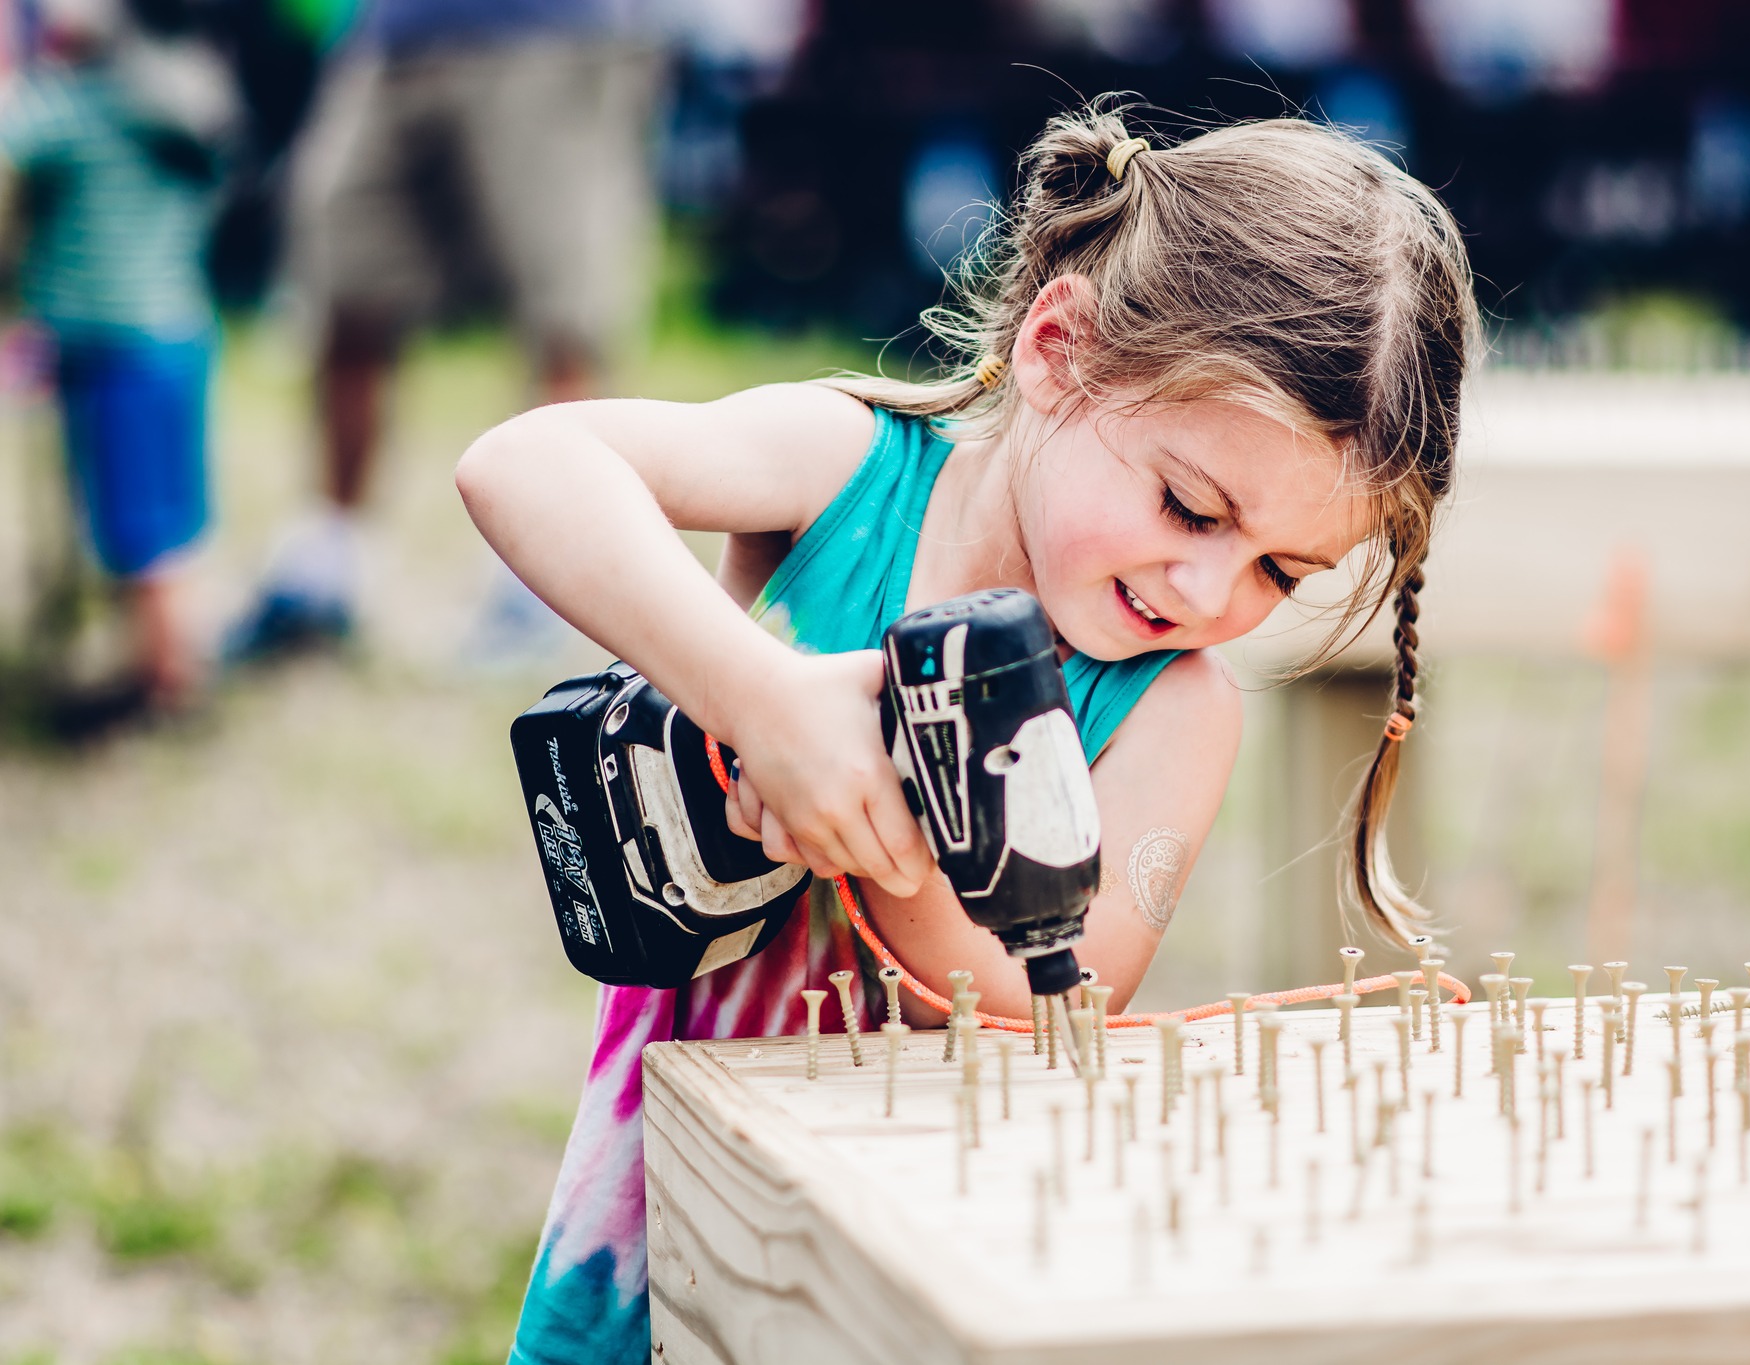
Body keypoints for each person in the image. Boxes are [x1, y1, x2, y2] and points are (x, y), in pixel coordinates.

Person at [456, 102, 1478, 1365]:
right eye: (1187, 507)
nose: (1208, 597)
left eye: (1281, 571)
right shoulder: (847, 477)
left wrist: (884, 836)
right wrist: (759, 704)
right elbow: (524, 463)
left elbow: (1062, 997)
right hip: (669, 1200)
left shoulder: (1176, 703)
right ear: (1057, 347)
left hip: (939, 1247)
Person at [230, 0, 660, 660]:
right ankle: (325, 572)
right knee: (346, 287)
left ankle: (547, 588)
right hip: (390, 35)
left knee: (561, 313)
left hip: (553, 33)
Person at [0, 0, 232, 727]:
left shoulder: (75, 101)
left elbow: (13, 139)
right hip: (180, 331)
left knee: (136, 527)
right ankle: (167, 661)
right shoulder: (185, 90)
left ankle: (168, 685)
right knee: (171, 516)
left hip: (112, 346)